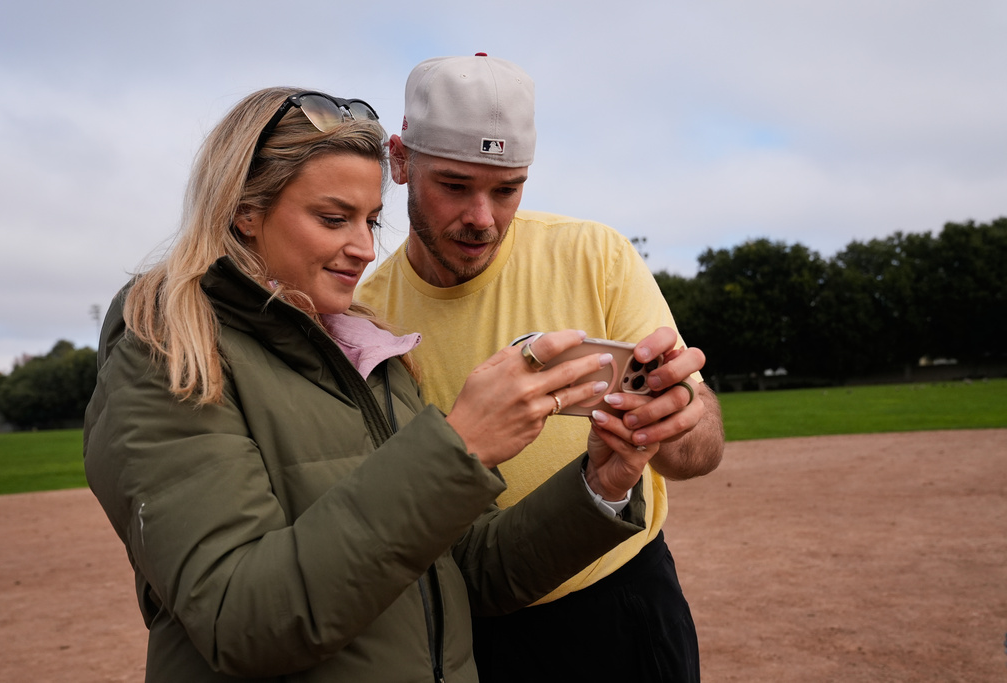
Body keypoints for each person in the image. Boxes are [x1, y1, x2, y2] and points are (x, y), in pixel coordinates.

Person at [82, 86, 666, 682]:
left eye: (372, 220)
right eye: (334, 219)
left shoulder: (369, 350)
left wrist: (602, 483)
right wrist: (458, 448)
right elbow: (242, 620)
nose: (364, 248)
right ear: (245, 211)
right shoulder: (168, 358)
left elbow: (462, 573)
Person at [358, 55, 726, 682]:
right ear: (399, 161)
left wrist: (675, 417)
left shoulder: (594, 254)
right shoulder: (366, 316)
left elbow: (700, 455)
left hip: (622, 601)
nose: (483, 218)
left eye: (507, 189)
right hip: (472, 628)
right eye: (454, 185)